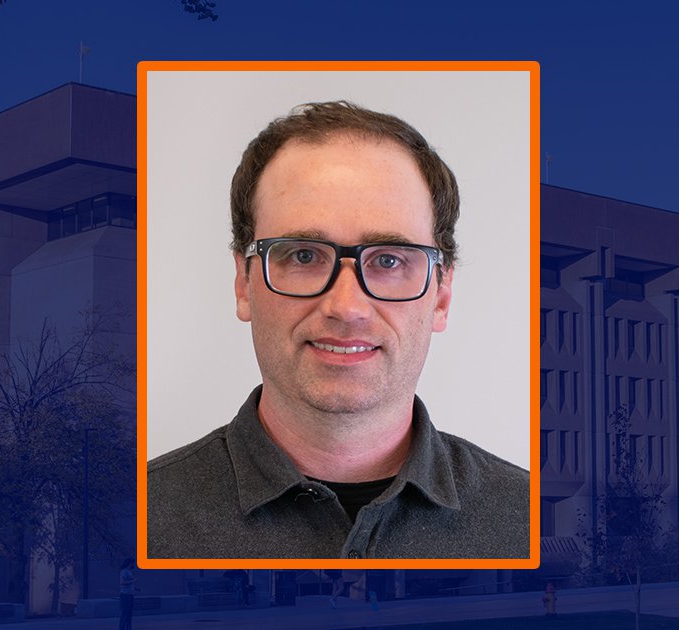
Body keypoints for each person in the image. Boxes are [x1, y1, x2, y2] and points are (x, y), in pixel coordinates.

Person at [147, 101, 529, 559]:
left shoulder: (529, 522)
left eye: (389, 260)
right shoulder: (136, 519)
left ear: (442, 294)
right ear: (243, 283)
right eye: (303, 256)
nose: (346, 307)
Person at [117, 558, 136, 630]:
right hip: (125, 595)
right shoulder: (123, 572)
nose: (133, 565)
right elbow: (122, 582)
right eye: (132, 563)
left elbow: (129, 583)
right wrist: (133, 580)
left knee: (129, 614)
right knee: (124, 614)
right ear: (129, 563)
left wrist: (135, 588)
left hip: (130, 595)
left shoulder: (129, 572)